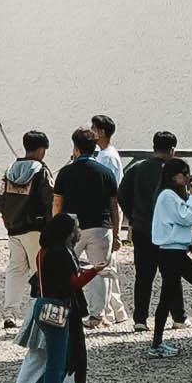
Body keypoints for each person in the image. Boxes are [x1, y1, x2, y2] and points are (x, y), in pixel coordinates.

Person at [15, 199, 97, 383]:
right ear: (68, 233)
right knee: (56, 364)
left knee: (50, 360)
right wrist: (96, 270)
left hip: (43, 305)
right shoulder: (62, 252)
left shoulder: (45, 251)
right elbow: (73, 283)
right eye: (76, 228)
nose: (79, 231)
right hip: (58, 308)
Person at [53, 118, 124, 330]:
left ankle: (62, 310)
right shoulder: (105, 172)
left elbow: (57, 202)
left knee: (63, 268)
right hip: (100, 225)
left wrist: (55, 227)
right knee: (100, 271)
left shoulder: (66, 172)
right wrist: (117, 231)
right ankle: (97, 316)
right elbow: (113, 205)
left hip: (72, 227)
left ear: (75, 148)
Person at [145, 155, 192, 355]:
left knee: (168, 296)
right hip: (172, 254)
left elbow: (176, 223)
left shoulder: (168, 196)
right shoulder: (168, 196)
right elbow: (186, 217)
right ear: (173, 176)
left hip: (172, 252)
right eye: (184, 174)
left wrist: (190, 231)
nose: (187, 178)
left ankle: (159, 341)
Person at [118, 131, 182, 331]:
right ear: (172, 150)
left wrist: (133, 216)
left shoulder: (137, 168)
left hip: (142, 228)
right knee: (171, 274)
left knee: (143, 276)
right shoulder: (175, 171)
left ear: (154, 147)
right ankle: (178, 317)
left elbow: (122, 195)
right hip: (168, 231)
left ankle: (140, 319)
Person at [0, 129, 55, 335]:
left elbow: (2, 201)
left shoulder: (11, 169)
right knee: (39, 272)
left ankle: (10, 313)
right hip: (36, 230)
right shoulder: (41, 171)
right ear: (41, 149)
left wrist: (8, 224)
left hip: (14, 228)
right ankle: (40, 315)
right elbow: (49, 201)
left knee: (15, 271)